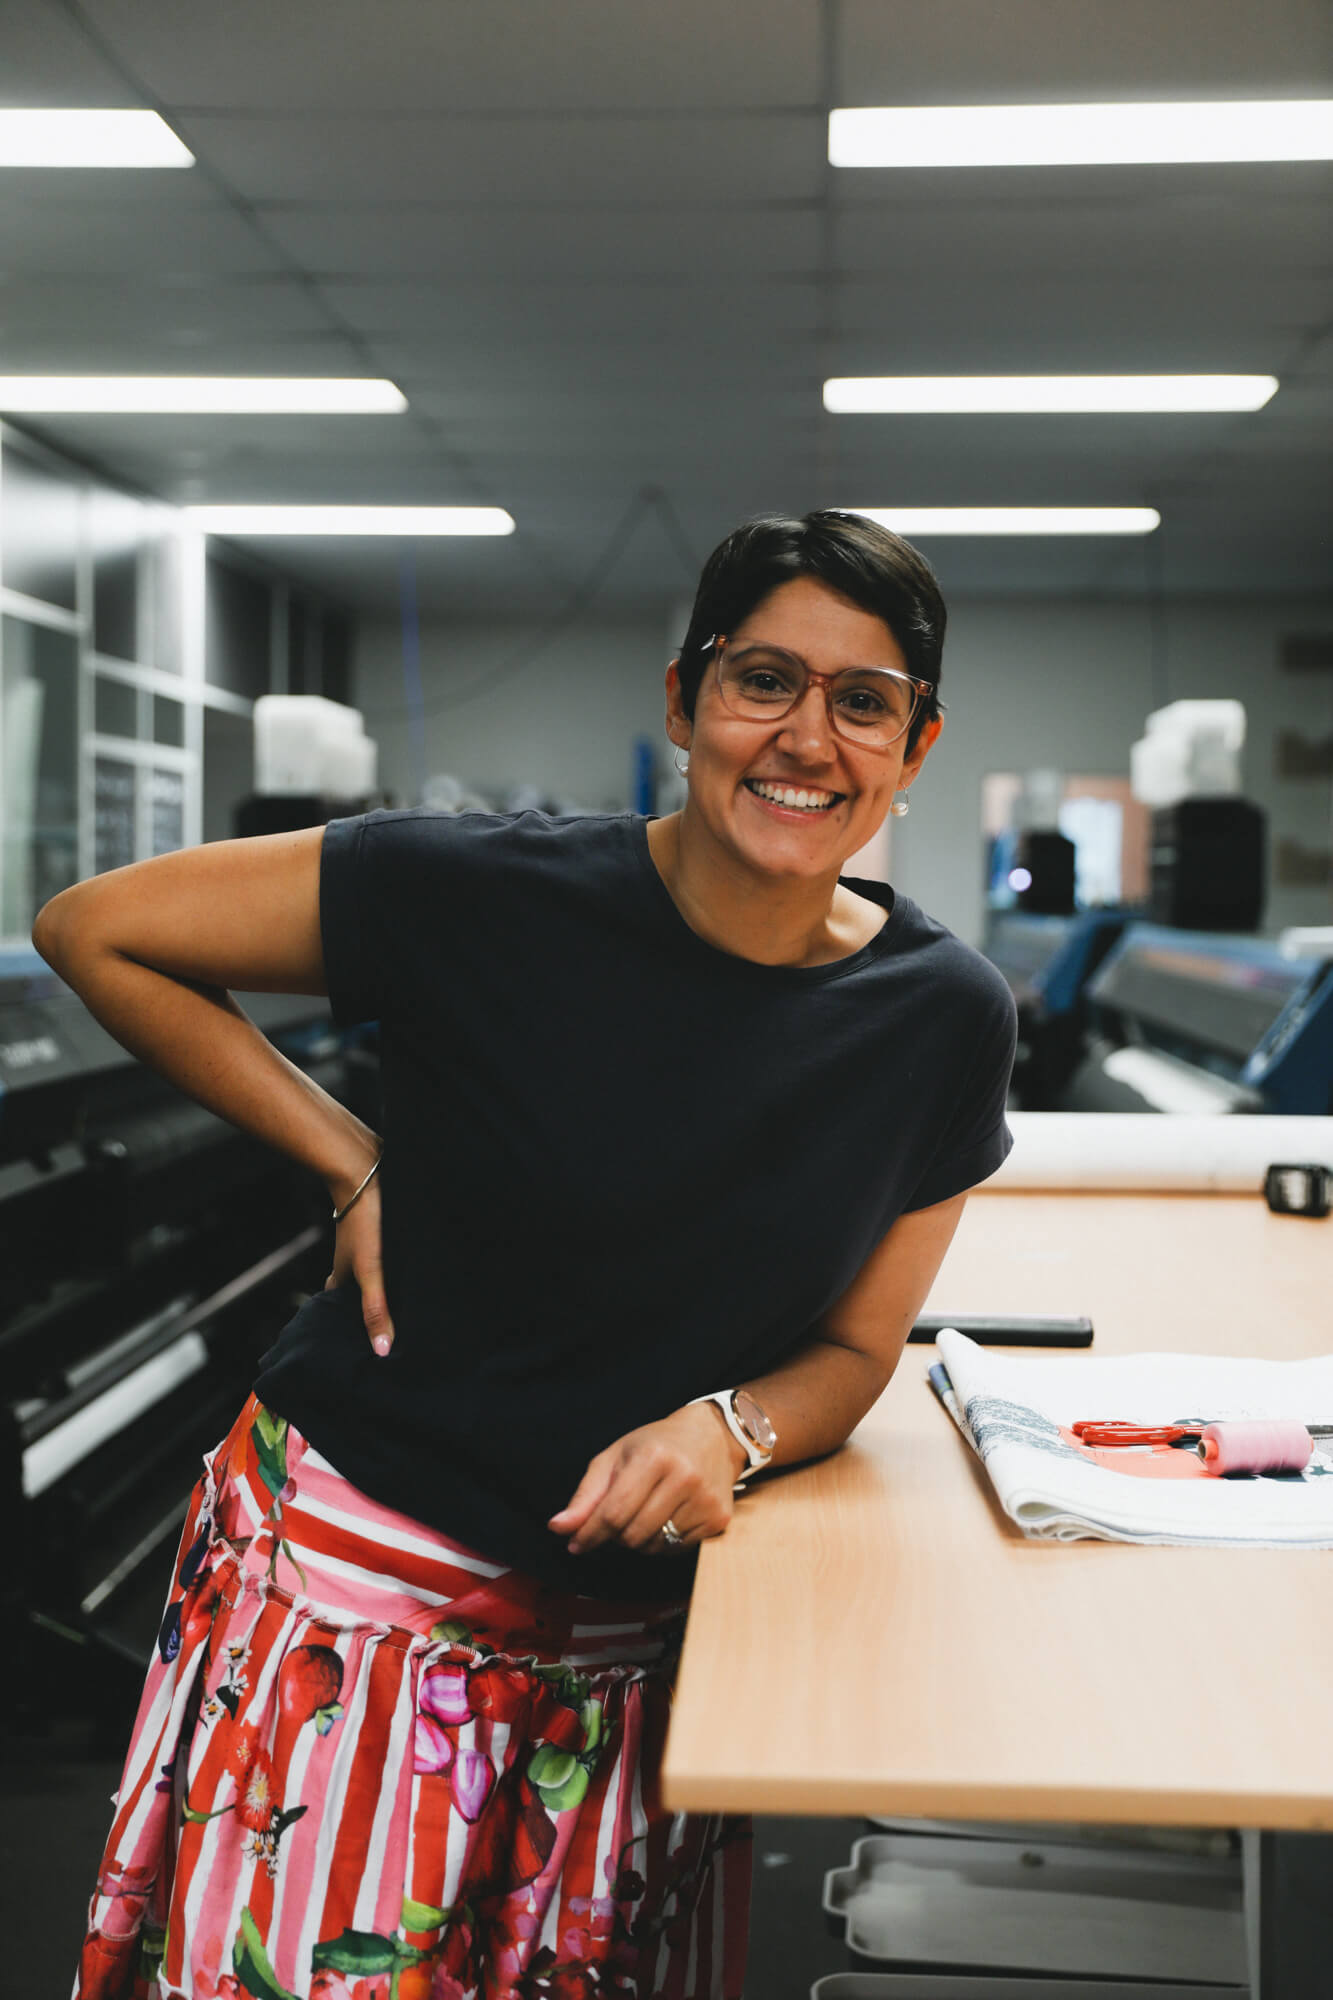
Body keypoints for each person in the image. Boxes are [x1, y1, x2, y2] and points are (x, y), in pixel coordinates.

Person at [42, 510, 1016, 2000]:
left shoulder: (942, 1019)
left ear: (915, 747)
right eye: (764, 680)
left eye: (862, 700)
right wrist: (348, 1153)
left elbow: (852, 1354)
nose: (806, 738)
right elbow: (99, 929)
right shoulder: (473, 890)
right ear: (684, 698)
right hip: (361, 1603)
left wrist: (729, 1428)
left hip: (637, 1667)